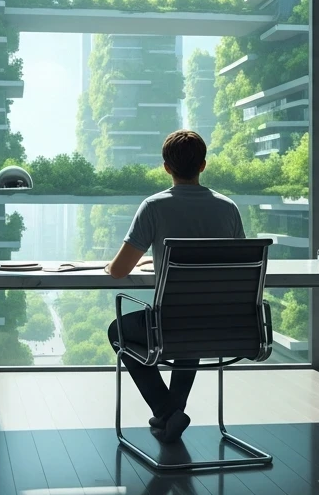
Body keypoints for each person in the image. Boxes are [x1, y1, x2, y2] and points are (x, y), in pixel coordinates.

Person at [105, 129, 244, 443]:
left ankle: (167, 410)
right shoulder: (228, 208)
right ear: (203, 166)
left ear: (166, 167)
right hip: (223, 325)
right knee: (191, 320)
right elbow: (238, 265)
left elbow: (118, 271)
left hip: (173, 323)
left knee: (120, 332)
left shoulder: (154, 206)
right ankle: (171, 417)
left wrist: (111, 265)